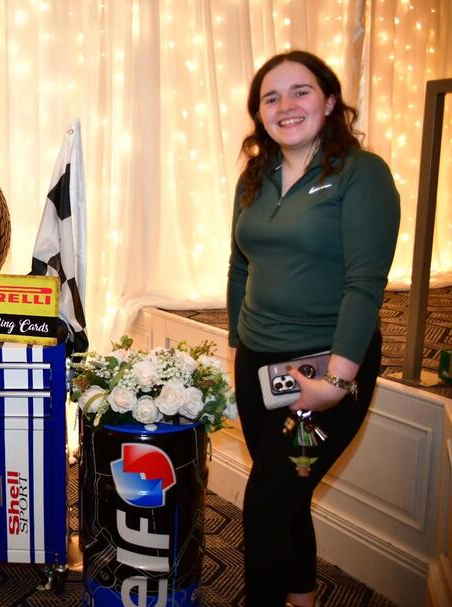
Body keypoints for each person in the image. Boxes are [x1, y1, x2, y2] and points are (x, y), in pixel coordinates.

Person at [226, 50, 400, 607]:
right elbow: (239, 267)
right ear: (259, 113)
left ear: (328, 101)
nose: (286, 106)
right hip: (258, 362)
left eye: (300, 91)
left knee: (266, 503)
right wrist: (237, 345)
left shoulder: (361, 173)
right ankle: (303, 596)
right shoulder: (256, 176)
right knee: (287, 494)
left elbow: (365, 284)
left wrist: (337, 383)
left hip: (326, 365)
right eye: (271, 97)